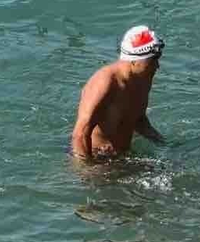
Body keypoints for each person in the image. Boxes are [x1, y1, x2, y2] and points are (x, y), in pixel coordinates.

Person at [70, 25, 166, 159]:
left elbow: (137, 119)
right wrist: (87, 168)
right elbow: (80, 134)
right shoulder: (104, 82)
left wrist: (164, 144)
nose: (157, 66)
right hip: (97, 158)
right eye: (152, 60)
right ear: (133, 60)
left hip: (122, 157)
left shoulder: (143, 79)